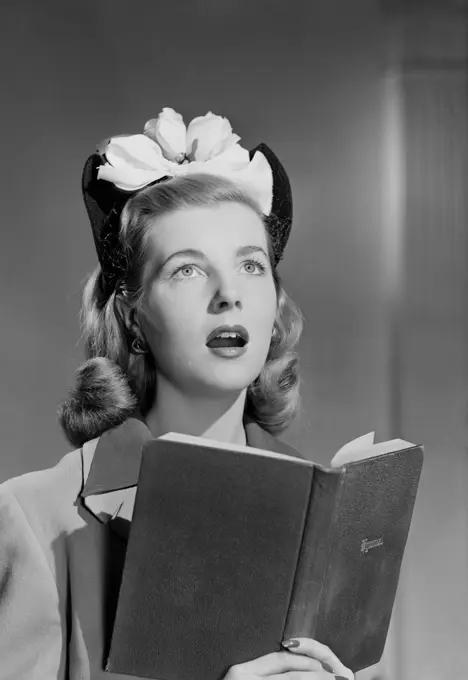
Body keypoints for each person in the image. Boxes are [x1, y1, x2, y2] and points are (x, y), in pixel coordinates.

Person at [0, 108, 353, 680]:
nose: (228, 295)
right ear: (132, 314)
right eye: (188, 270)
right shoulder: (36, 518)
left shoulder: (325, 518)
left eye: (251, 266)